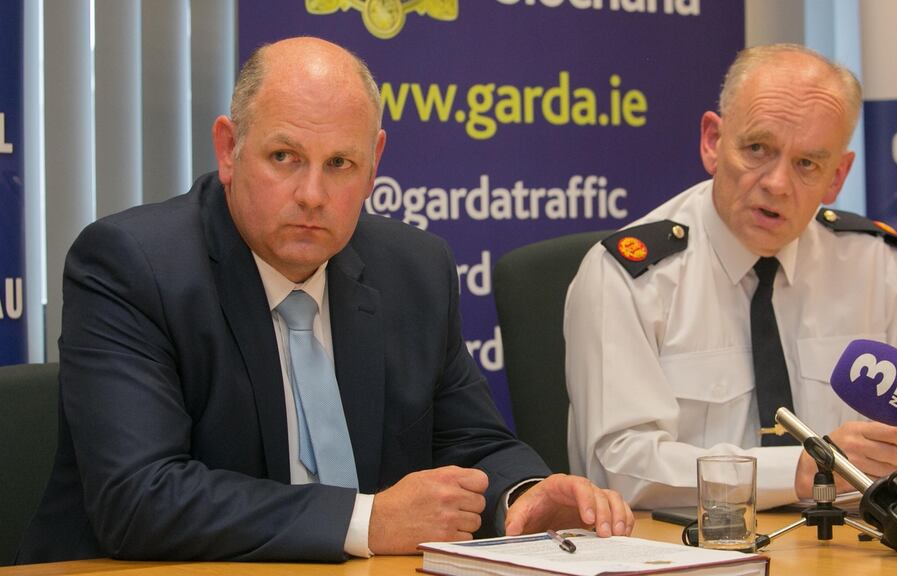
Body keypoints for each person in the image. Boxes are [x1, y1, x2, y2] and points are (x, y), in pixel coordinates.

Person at [18, 36, 632, 564]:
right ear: (229, 149)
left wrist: (523, 493)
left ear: (374, 167)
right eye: (284, 157)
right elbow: (138, 498)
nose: (312, 194)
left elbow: (472, 442)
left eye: (340, 163)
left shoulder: (414, 270)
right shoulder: (132, 265)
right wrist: (368, 522)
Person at [563, 44, 897, 511]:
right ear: (712, 141)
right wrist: (801, 471)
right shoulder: (629, 277)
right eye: (757, 149)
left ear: (837, 177)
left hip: (853, 551)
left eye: (807, 164)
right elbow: (619, 467)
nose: (777, 184)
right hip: (696, 554)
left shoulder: (870, 264)